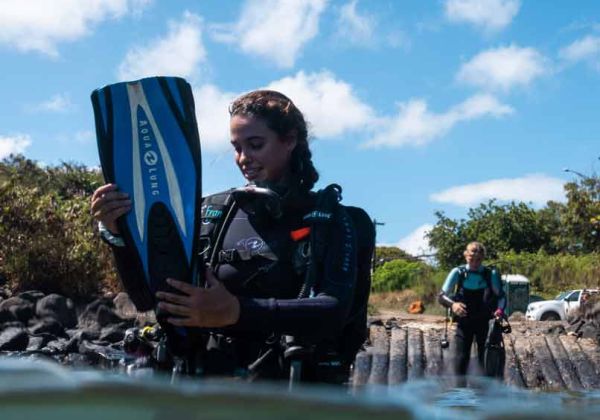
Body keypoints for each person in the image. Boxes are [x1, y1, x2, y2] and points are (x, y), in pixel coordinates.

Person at [91, 90, 369, 382]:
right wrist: (115, 232)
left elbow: (333, 309)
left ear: (290, 140)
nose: (243, 158)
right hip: (208, 390)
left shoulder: (332, 220)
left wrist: (236, 311)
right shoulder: (212, 212)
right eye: (236, 147)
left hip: (292, 397)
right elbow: (148, 298)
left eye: (255, 145)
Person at [437, 241, 506, 376]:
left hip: (485, 322)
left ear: (483, 258)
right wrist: (453, 305)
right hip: (464, 322)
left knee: (485, 363)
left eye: (478, 260)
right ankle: (459, 393)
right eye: (472, 259)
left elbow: (502, 297)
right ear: (465, 256)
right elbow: (441, 296)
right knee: (460, 362)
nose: (475, 263)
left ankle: (486, 393)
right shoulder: (458, 272)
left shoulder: (490, 274)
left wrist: (500, 311)